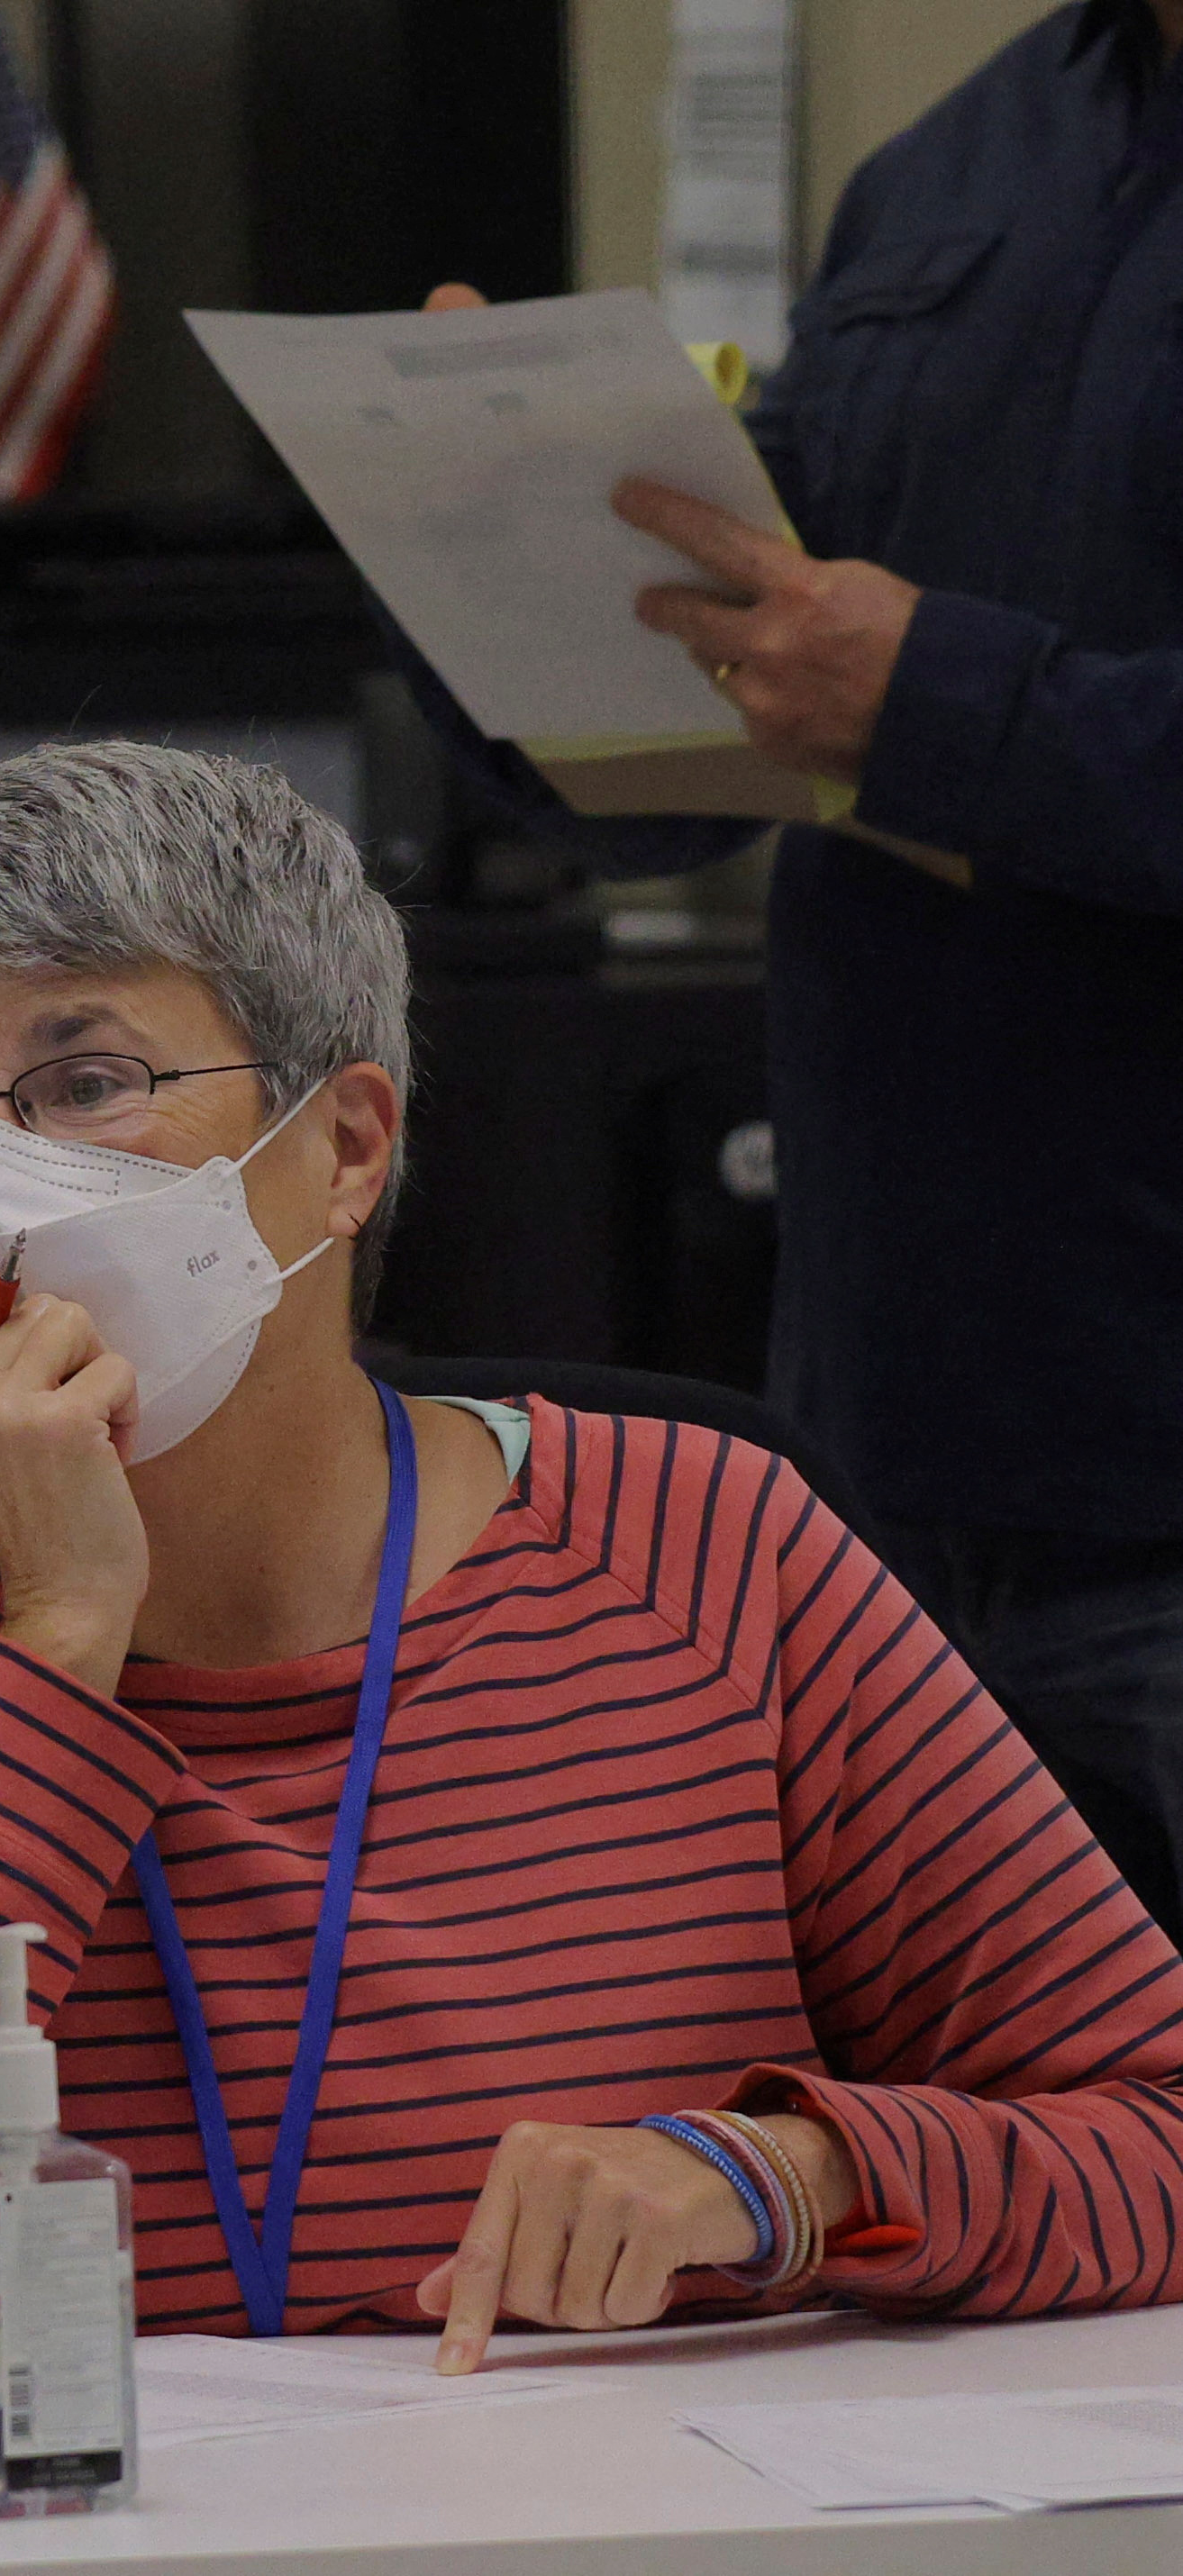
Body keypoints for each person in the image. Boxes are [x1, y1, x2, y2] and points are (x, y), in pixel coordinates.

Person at [0, 743, 1183, 2369]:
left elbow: (1157, 2131)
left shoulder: (707, 1551)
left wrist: (790, 2177)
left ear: (341, 1150)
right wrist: (54, 1639)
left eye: (86, 1085)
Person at [410, 0, 1183, 1934]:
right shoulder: (949, 171)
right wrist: (491, 571)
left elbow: (893, 698)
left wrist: (940, 704)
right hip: (896, 1453)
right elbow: (722, 743)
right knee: (951, 2193)